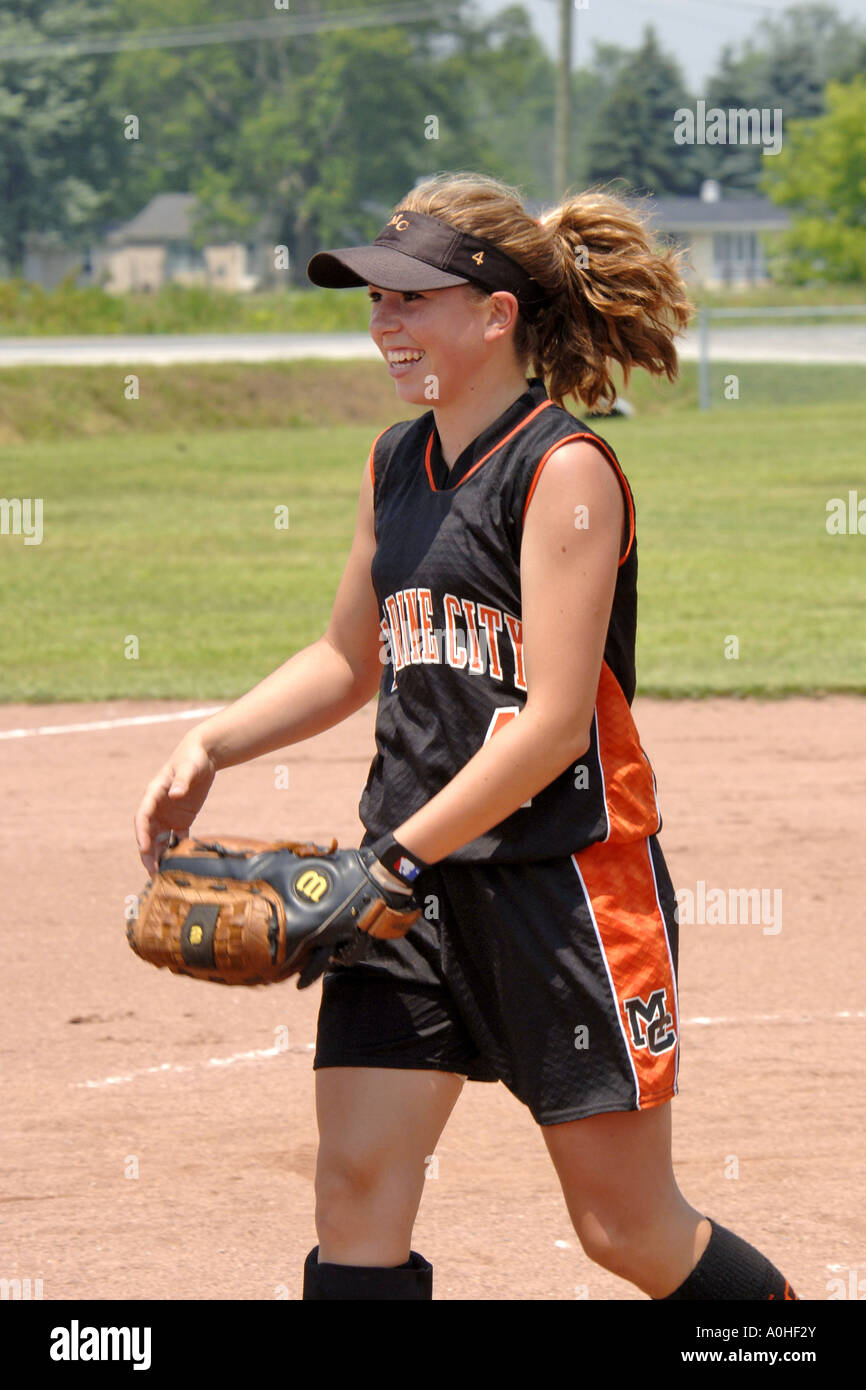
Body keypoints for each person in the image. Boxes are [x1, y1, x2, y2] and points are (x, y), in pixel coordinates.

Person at [134, 172, 799, 1302]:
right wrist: (214, 741)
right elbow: (349, 658)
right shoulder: (393, 463)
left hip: (561, 888)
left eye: (409, 298)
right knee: (355, 1184)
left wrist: (391, 856)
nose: (383, 322)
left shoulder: (564, 470)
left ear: (495, 314)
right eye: (373, 300)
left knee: (623, 1229)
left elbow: (549, 726)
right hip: (402, 893)